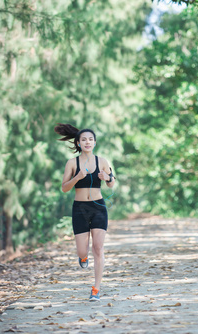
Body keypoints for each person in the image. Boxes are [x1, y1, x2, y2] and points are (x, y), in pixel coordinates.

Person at [55, 123, 116, 302]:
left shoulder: (102, 161)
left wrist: (108, 178)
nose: (87, 142)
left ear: (94, 143)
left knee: (98, 248)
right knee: (83, 251)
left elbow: (112, 183)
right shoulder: (72, 163)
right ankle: (83, 257)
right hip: (80, 209)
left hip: (98, 207)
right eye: (84, 140)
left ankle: (96, 289)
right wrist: (77, 177)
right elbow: (64, 188)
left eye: (90, 139)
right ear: (79, 143)